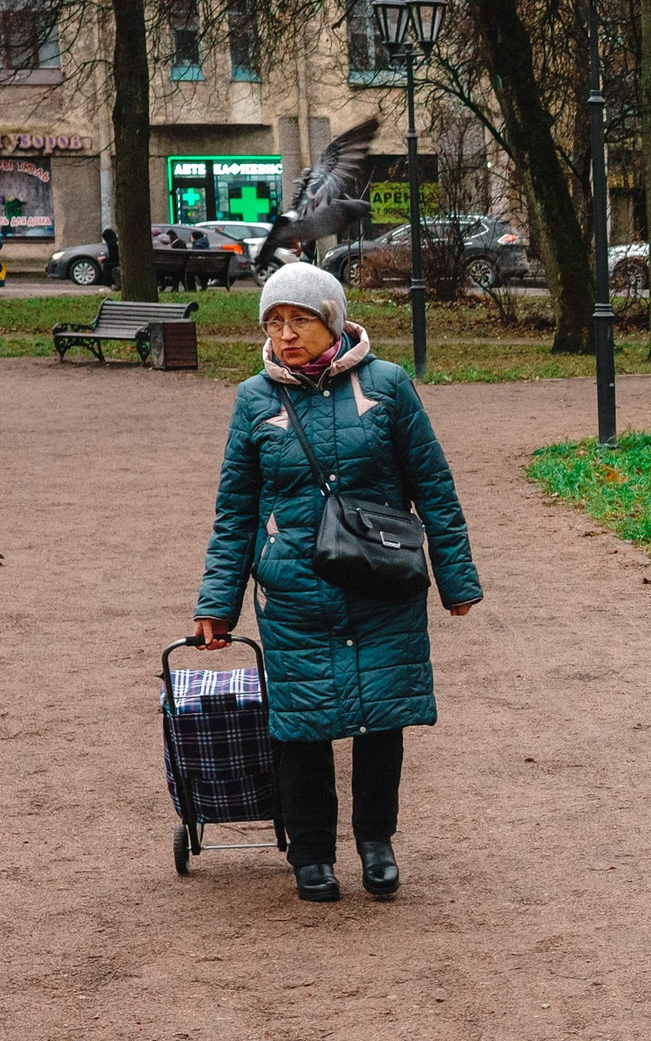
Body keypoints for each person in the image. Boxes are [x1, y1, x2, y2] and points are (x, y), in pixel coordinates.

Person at [193, 263, 483, 904]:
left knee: (383, 719)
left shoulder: (388, 386)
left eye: (300, 320)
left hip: (382, 580)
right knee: (301, 725)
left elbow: (434, 487)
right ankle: (312, 855)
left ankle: (376, 845)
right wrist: (218, 602)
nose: (287, 334)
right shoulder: (255, 399)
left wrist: (456, 577)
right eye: (275, 321)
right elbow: (235, 510)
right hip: (295, 587)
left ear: (332, 319)